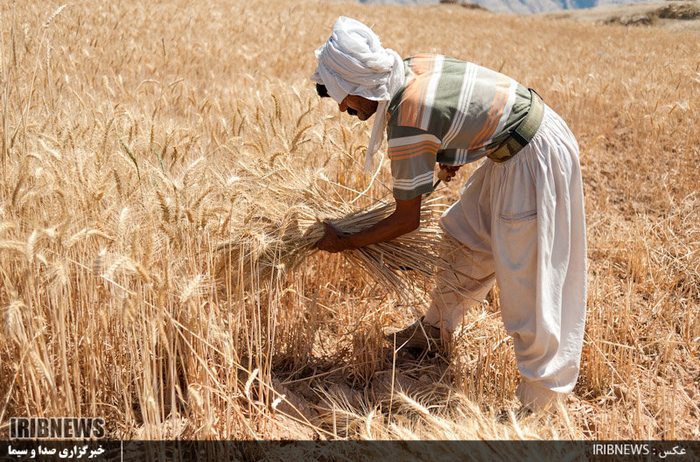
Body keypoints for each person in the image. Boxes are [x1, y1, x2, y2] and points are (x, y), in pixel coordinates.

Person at [311, 16, 586, 412]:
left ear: (360, 87)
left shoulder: (406, 116)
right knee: (465, 237)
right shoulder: (405, 69)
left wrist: (346, 241)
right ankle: (436, 330)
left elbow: (406, 220)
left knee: (527, 280)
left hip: (531, 157)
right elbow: (460, 106)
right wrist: (453, 148)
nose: (340, 107)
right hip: (515, 145)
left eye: (339, 95)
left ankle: (539, 404)